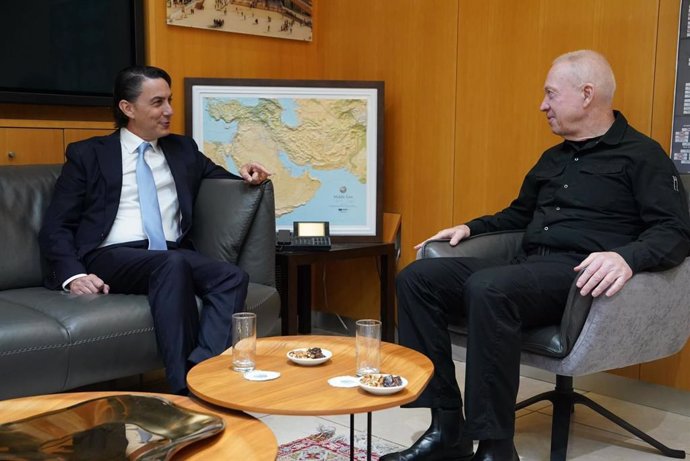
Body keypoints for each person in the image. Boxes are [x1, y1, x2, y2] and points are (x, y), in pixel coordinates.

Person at [381, 50, 690, 461]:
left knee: (490, 287)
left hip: (578, 276)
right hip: (526, 269)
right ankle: (447, 428)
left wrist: (626, 257)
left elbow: (676, 231)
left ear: (586, 94)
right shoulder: (553, 158)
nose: (542, 105)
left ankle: (495, 447)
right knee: (416, 279)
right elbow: (518, 215)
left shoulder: (642, 156)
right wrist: (471, 228)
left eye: (550, 95)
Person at [39, 65, 271, 395]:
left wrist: (249, 175)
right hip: (110, 255)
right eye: (158, 102)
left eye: (170, 101)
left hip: (168, 254)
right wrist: (73, 275)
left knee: (231, 276)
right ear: (127, 108)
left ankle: (199, 375)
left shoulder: (182, 149)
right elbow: (56, 224)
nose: (169, 111)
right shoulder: (88, 154)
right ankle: (181, 391)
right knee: (171, 264)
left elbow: (222, 179)